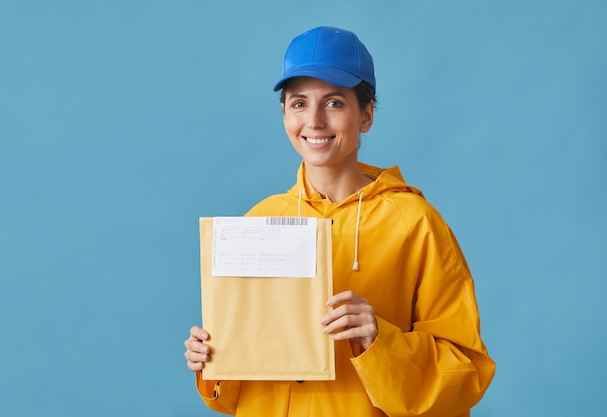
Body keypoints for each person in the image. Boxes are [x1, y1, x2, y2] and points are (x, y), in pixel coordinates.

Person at [184, 26, 495, 417]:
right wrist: (213, 359)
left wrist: (380, 340)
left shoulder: (416, 224)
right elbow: (235, 392)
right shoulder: (260, 221)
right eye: (298, 103)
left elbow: (464, 372)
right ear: (283, 114)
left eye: (333, 103)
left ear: (365, 114)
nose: (314, 121)